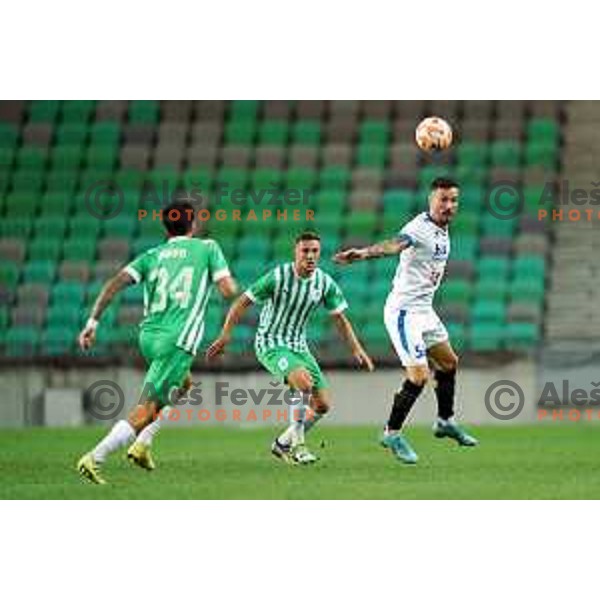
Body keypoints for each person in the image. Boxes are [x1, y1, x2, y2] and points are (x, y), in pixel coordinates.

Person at [76, 200, 238, 484]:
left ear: (166, 226)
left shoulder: (152, 254)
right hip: (177, 340)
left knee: (184, 384)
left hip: (149, 337)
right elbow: (227, 290)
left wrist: (92, 323)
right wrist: (227, 282)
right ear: (194, 224)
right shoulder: (207, 247)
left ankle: (143, 444)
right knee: (146, 409)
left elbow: (115, 282)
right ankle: (95, 457)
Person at [334, 177, 478, 465]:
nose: (449, 205)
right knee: (419, 377)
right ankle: (391, 432)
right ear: (431, 200)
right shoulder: (419, 228)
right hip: (404, 313)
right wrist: (362, 253)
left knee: (449, 362)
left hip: (425, 310)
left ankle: (445, 421)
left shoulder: (442, 229)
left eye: (453, 200)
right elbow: (394, 244)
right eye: (443, 200)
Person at [206, 230, 374, 464]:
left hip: (298, 346)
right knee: (303, 382)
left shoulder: (324, 282)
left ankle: (282, 443)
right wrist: (225, 335)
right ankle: (299, 446)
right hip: (270, 343)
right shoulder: (278, 277)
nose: (310, 256)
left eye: (315, 251)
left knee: (322, 405)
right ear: (295, 252)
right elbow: (241, 302)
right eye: (305, 250)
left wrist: (356, 349)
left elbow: (339, 318)